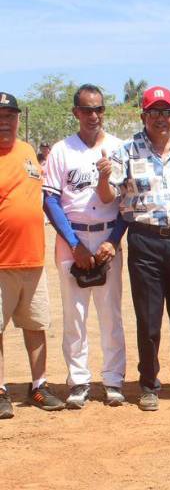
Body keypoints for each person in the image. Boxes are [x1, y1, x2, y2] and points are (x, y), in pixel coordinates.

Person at [106, 86, 170, 411]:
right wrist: (101, 178)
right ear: (143, 116)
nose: (160, 118)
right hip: (145, 239)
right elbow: (109, 196)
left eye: (166, 112)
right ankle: (148, 384)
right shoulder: (127, 150)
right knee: (148, 318)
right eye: (154, 112)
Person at [42, 84, 128, 408]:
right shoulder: (62, 151)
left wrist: (113, 240)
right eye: (87, 109)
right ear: (76, 112)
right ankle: (78, 380)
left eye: (99, 109)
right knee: (74, 314)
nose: (93, 115)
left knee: (111, 313)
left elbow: (125, 203)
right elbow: (50, 200)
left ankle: (113, 379)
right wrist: (75, 243)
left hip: (107, 236)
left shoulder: (118, 148)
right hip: (72, 237)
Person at [0, 92, 64, 419]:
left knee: (36, 325)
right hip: (1, 263)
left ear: (18, 119)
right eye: (0, 115)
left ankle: (39, 385)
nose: (5, 121)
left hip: (32, 260)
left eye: (10, 115)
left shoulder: (27, 152)